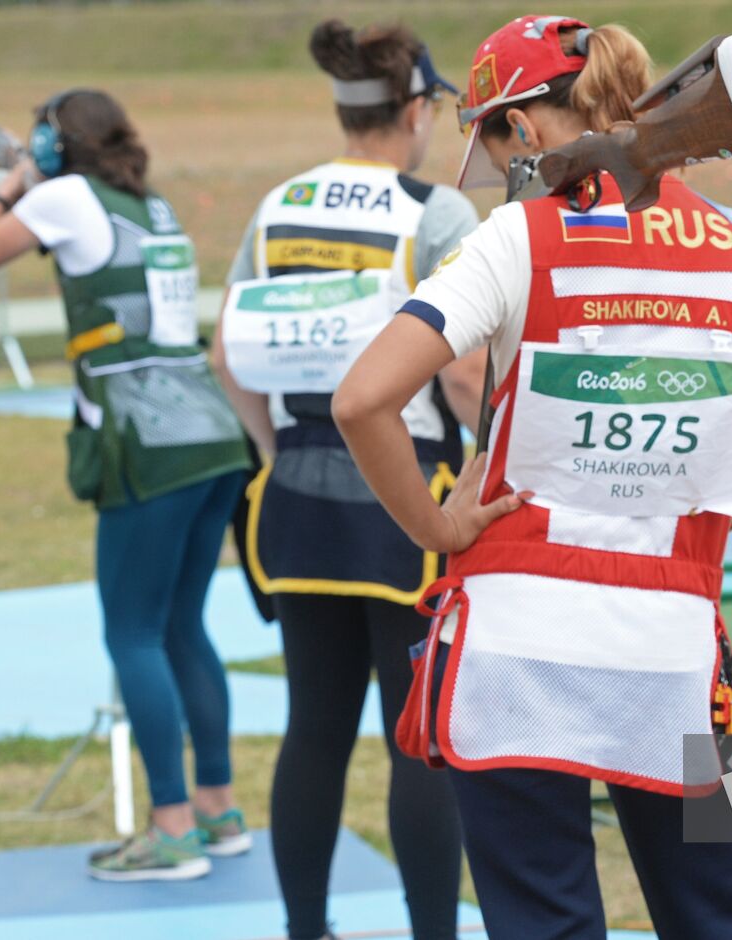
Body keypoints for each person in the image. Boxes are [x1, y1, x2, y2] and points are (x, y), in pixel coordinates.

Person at [332, 14, 732, 938]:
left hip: (514, 649)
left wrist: (436, 527)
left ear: (528, 127)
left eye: (496, 134)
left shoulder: (515, 239)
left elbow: (361, 401)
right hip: (681, 650)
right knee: (723, 920)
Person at [210, 19, 481, 940]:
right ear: (414, 110)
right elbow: (462, 371)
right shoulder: (435, 212)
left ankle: (305, 930)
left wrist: (276, 453)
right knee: (420, 736)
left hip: (296, 501)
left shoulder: (279, 205)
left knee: (313, 728)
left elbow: (228, 352)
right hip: (411, 502)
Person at [0, 89, 252, 881]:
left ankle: (171, 828)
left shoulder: (61, 196)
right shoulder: (146, 205)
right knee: (183, 627)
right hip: (212, 433)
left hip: (147, 441)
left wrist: (6, 182)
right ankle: (218, 812)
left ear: (55, 146)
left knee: (133, 634)